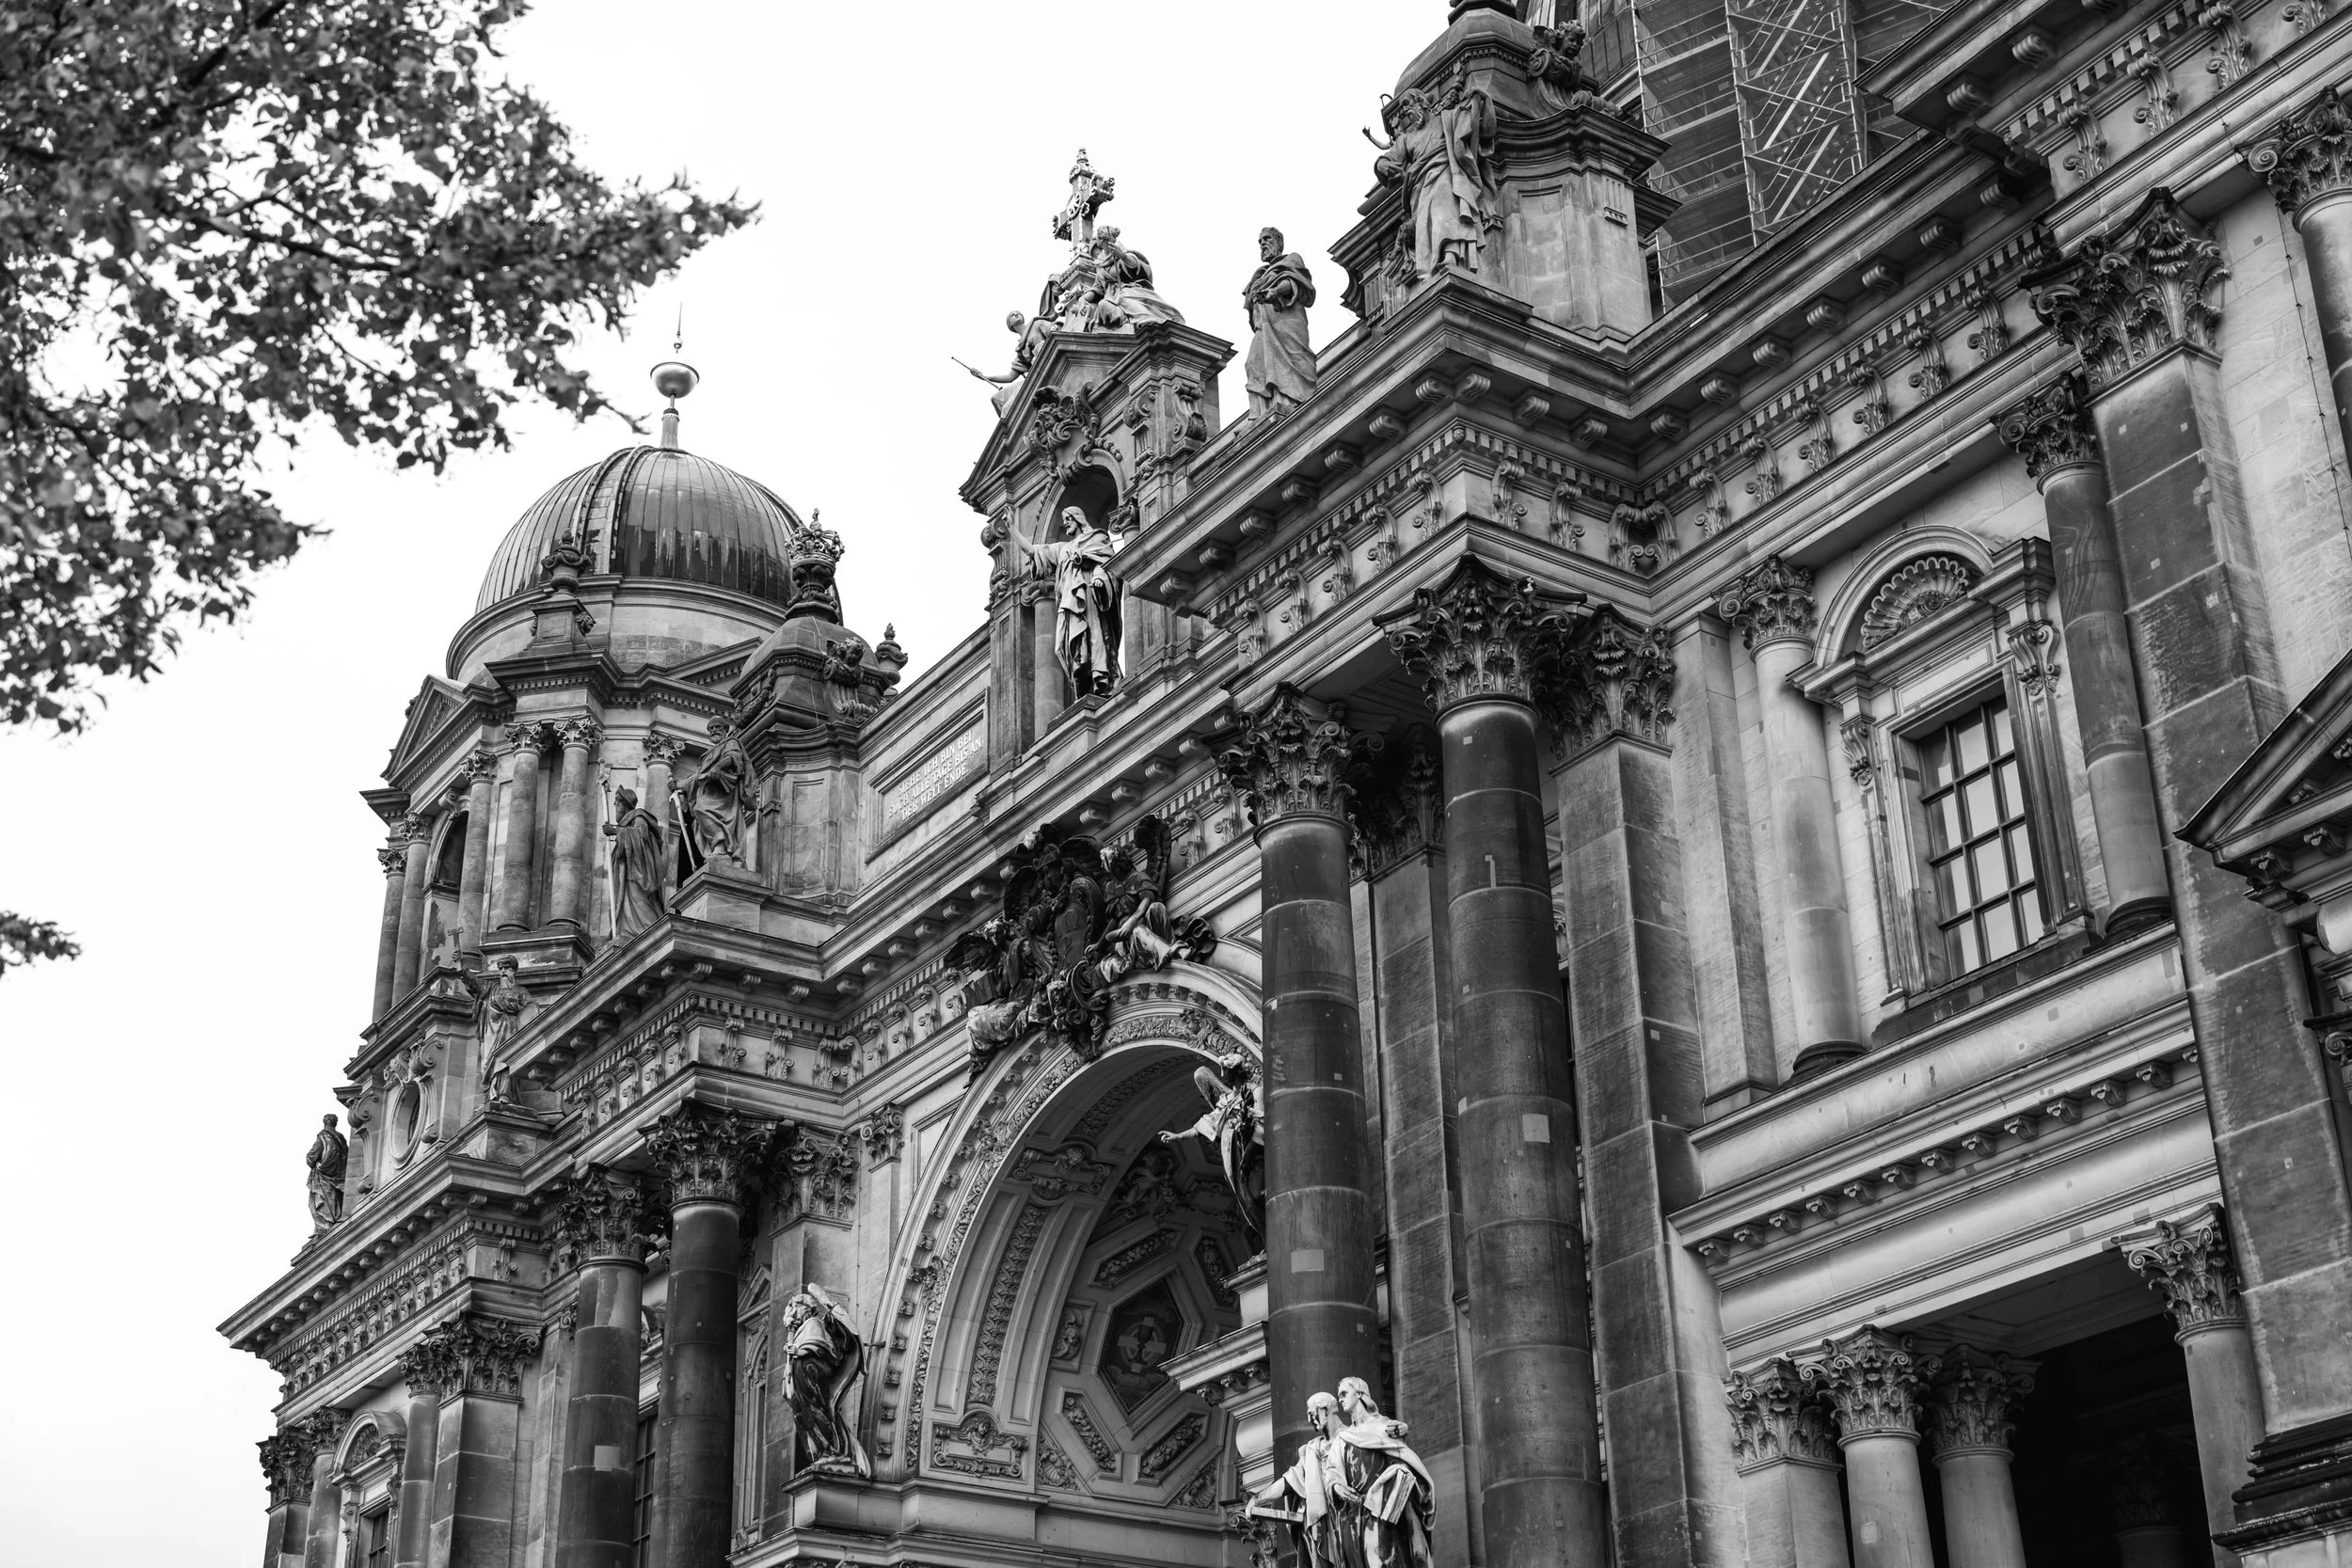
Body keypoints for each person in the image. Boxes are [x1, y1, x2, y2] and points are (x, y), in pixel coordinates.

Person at [1370, 67, 1499, 279]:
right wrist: (1382, 165)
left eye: (1409, 106)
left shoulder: (1447, 119)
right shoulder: (1406, 139)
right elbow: (1389, 158)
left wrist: (1480, 102)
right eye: (1404, 111)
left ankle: (1450, 255)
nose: (1407, 114)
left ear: (1422, 103)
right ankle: (1435, 263)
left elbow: (1482, 130)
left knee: (1444, 207)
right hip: (1418, 188)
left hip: (1444, 174)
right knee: (1427, 224)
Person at [1008, 504, 1122, 696]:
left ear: (1079, 519)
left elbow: (1107, 564)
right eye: (1064, 519)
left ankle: (1100, 679)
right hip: (1069, 603)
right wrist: (1012, 528)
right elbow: (1032, 551)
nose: (1065, 523)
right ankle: (1083, 684)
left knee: (1095, 637)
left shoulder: (1098, 538)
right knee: (1066, 646)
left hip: (1090, 596)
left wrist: (1100, 579)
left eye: (1068, 518)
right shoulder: (1062, 549)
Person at [1334, 1377, 1437, 1568]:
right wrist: (1337, 1486)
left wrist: (1390, 1482)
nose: (1340, 1399)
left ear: (1359, 1394)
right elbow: (1333, 1470)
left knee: (1384, 1562)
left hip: (1381, 1512)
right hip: (1352, 1516)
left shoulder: (1384, 1428)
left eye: (1344, 1394)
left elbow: (1404, 1464)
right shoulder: (1342, 1438)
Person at [1251, 1392, 1358, 1568]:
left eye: (1312, 1413)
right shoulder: (1312, 1449)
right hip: (1322, 1523)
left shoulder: (1353, 1436)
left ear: (1325, 1410)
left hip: (1350, 1515)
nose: (1310, 1419)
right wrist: (1258, 1498)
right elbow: (1289, 1480)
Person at [780, 1285, 871, 1477]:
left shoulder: (814, 1323)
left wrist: (799, 1351)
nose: (793, 1310)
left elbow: (826, 1349)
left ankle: (831, 1451)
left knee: (816, 1411)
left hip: (814, 1375)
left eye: (797, 1306)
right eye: (792, 1307)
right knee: (803, 1416)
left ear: (808, 1308)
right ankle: (820, 1452)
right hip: (802, 1378)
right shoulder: (800, 1330)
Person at [1244, 227, 1318, 420]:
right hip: (1264, 328)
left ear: (1279, 242)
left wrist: (1275, 292)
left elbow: (1298, 283)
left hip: (1286, 324)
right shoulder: (1258, 276)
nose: (1263, 244)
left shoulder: (1291, 260)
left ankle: (1290, 402)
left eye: (1267, 239)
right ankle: (1258, 414)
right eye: (1260, 242)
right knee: (1253, 363)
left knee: (1292, 361)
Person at [605, 784, 666, 939]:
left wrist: (616, 831)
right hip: (627, 874)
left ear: (623, 804)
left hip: (638, 874)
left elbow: (641, 836)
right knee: (626, 906)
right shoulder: (628, 821)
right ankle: (630, 934)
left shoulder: (638, 817)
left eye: (616, 803)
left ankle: (652, 937)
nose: (615, 807)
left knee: (641, 905)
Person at [306, 1115, 348, 1231]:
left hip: (322, 1175)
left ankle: (326, 1225)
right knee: (335, 1197)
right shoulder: (341, 1138)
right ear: (335, 1123)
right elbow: (347, 1155)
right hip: (339, 1174)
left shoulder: (322, 1136)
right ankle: (336, 1218)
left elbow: (312, 1155)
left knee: (322, 1199)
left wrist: (310, 1159)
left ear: (325, 1122)